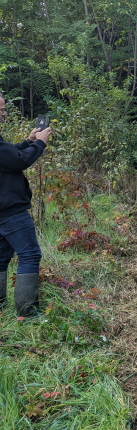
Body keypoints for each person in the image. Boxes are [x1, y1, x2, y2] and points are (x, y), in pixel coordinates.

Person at [0, 93, 52, 318]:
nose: (4, 113)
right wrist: (40, 143)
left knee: (1, 258)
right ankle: (27, 312)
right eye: (0, 109)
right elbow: (19, 161)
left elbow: (8, 157)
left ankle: (1, 307)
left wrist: (29, 142)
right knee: (30, 254)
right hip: (9, 210)